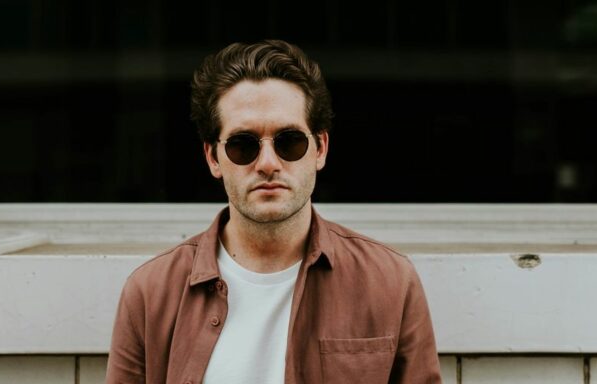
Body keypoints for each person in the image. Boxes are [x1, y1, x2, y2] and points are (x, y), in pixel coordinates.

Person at [106, 39, 442, 384]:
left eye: (289, 141)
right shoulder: (151, 292)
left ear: (320, 148)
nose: (268, 164)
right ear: (212, 158)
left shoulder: (389, 282)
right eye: (243, 145)